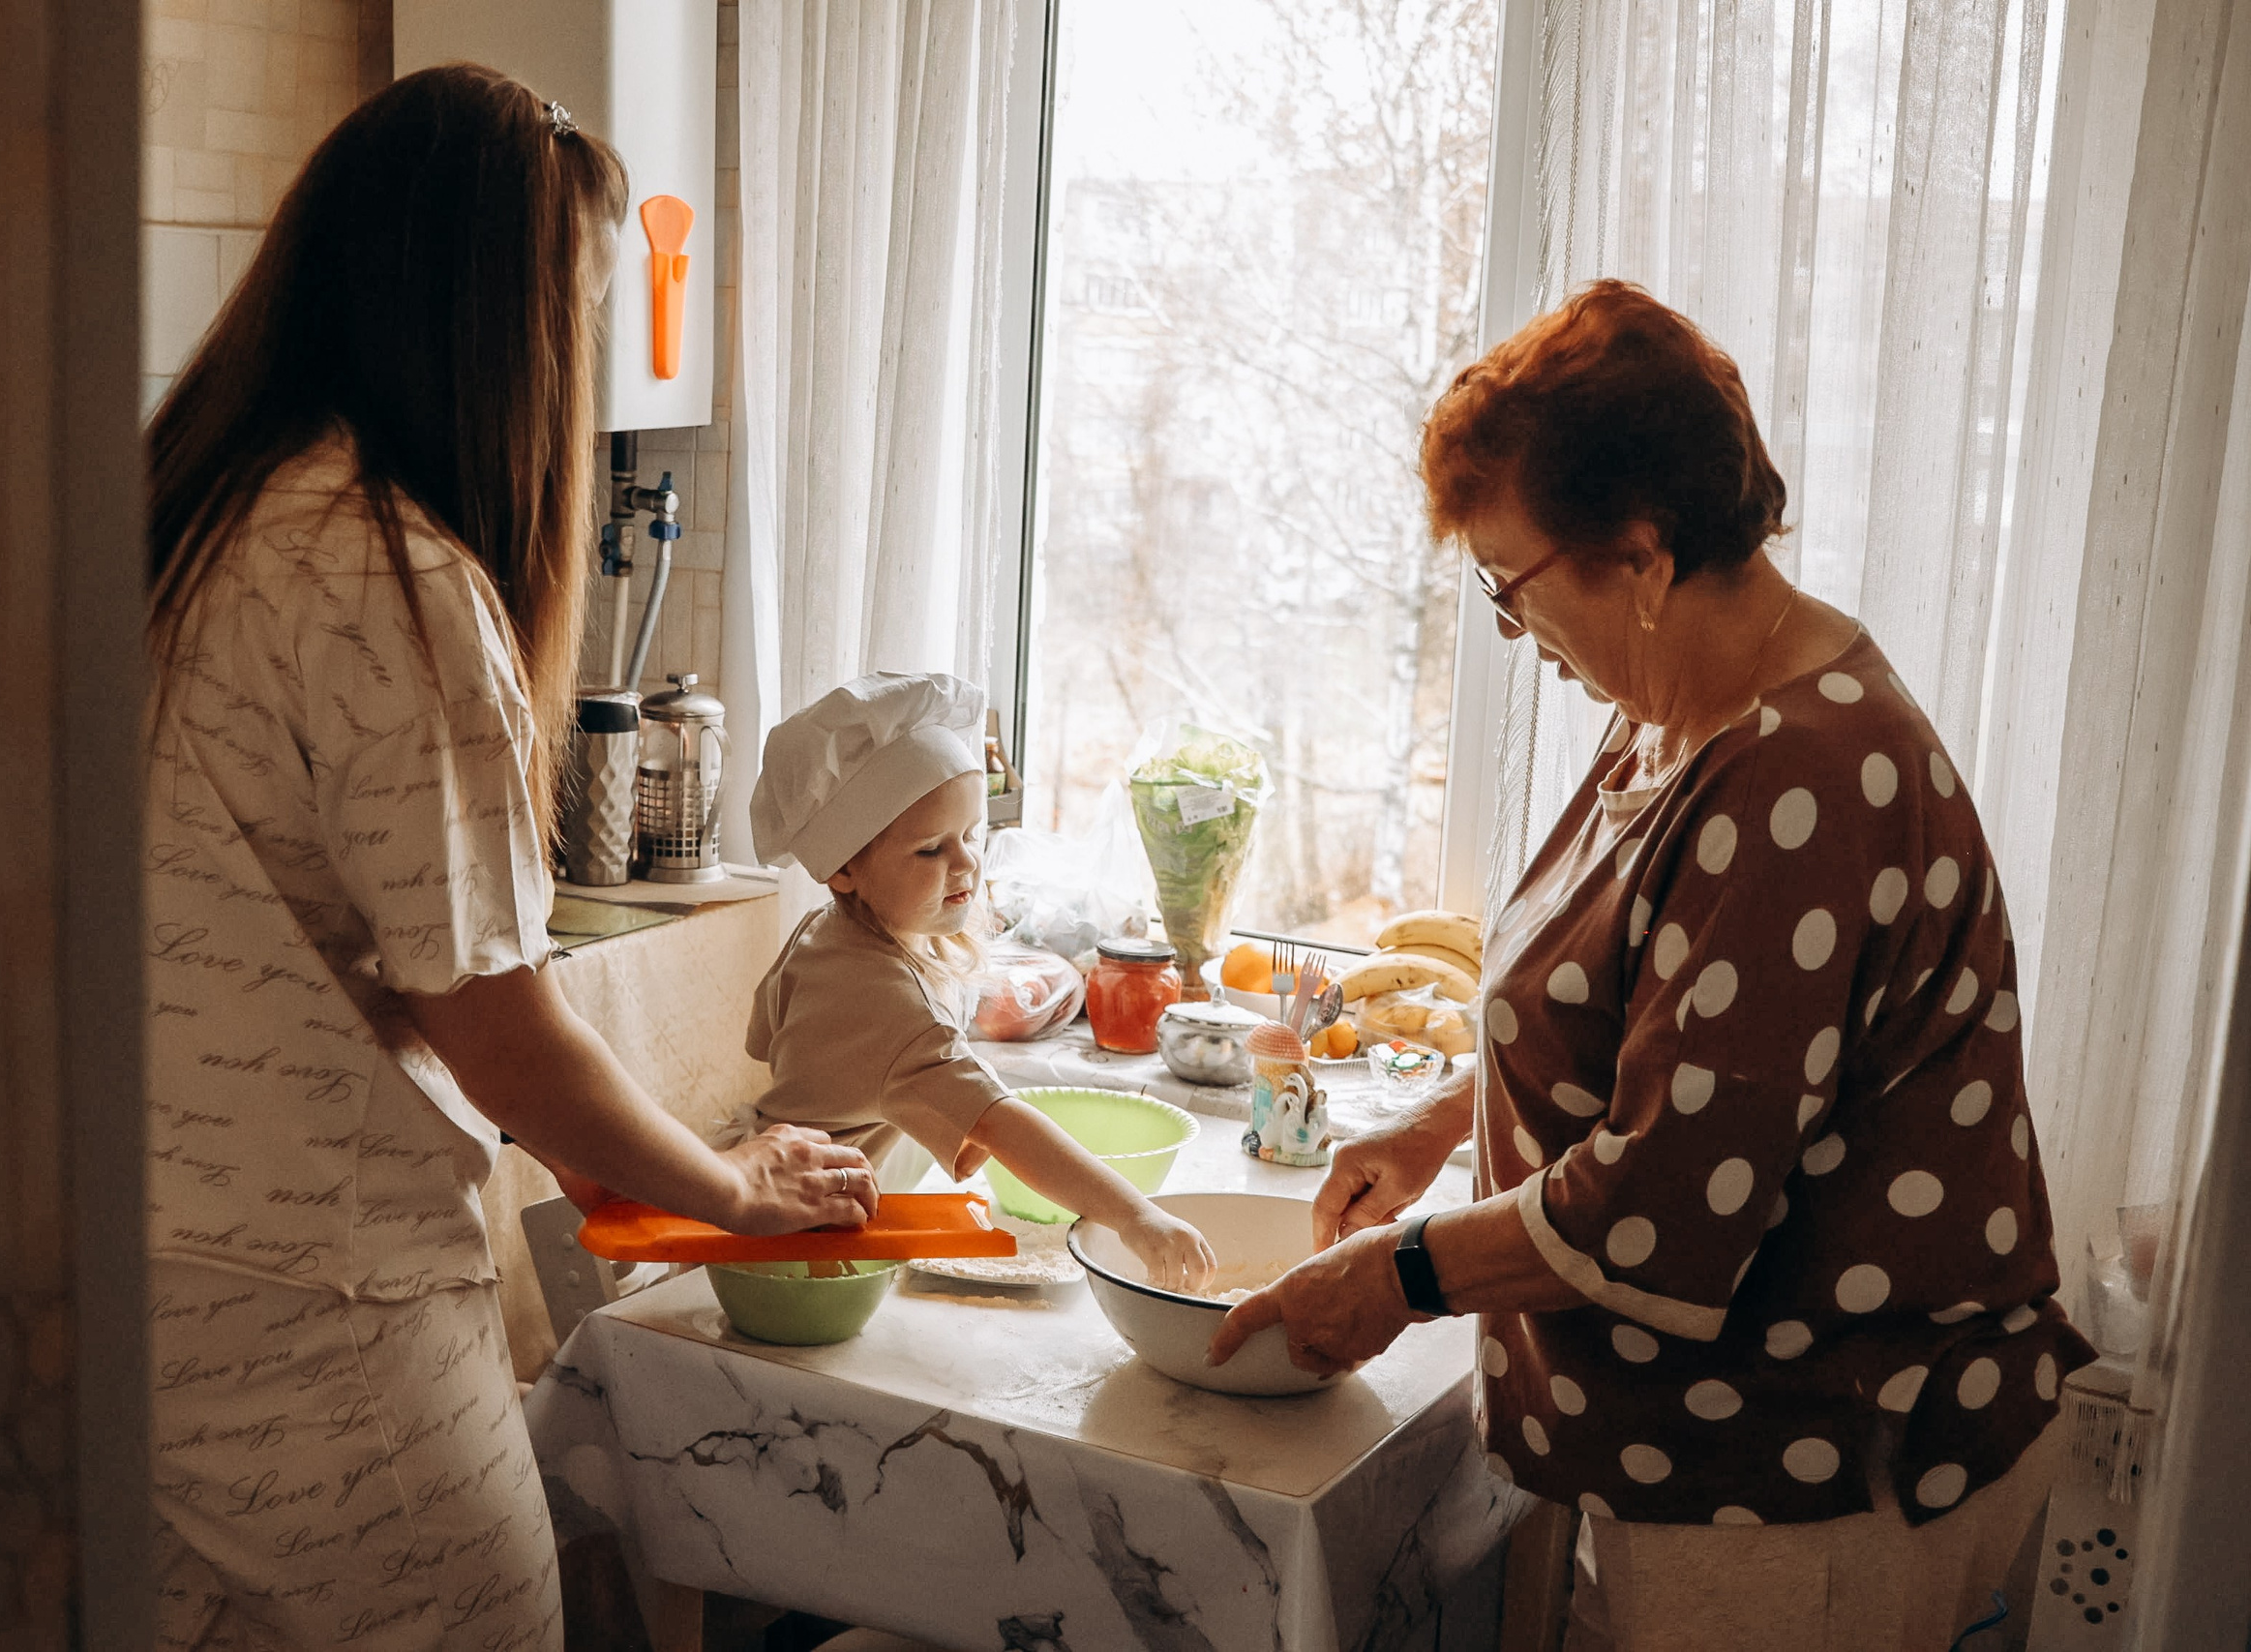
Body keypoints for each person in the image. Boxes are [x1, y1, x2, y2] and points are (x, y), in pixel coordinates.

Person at [1208, 282, 2093, 1649]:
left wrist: (1394, 1273)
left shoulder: (1807, 773)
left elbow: (1663, 1203)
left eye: (1515, 587)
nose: (1517, 631)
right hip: (1731, 1441)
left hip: (1822, 1465)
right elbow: (1648, 1025)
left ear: (1642, 550)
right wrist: (1446, 1123)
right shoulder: (1678, 712)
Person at [140, 67, 876, 1652]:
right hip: (315, 1322)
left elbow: (295, 923)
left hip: (127, 1299)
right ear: (498, 324)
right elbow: (506, 1036)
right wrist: (739, 1185)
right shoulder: (392, 576)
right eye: (583, 314)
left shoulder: (191, 517)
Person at [747, 673, 1216, 1290]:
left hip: (774, 1198)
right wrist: (1136, 1216)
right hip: (806, 1255)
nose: (966, 861)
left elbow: (764, 1037)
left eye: (971, 835)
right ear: (844, 869)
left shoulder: (825, 934)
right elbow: (1003, 1122)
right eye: (930, 850)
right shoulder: (887, 1000)